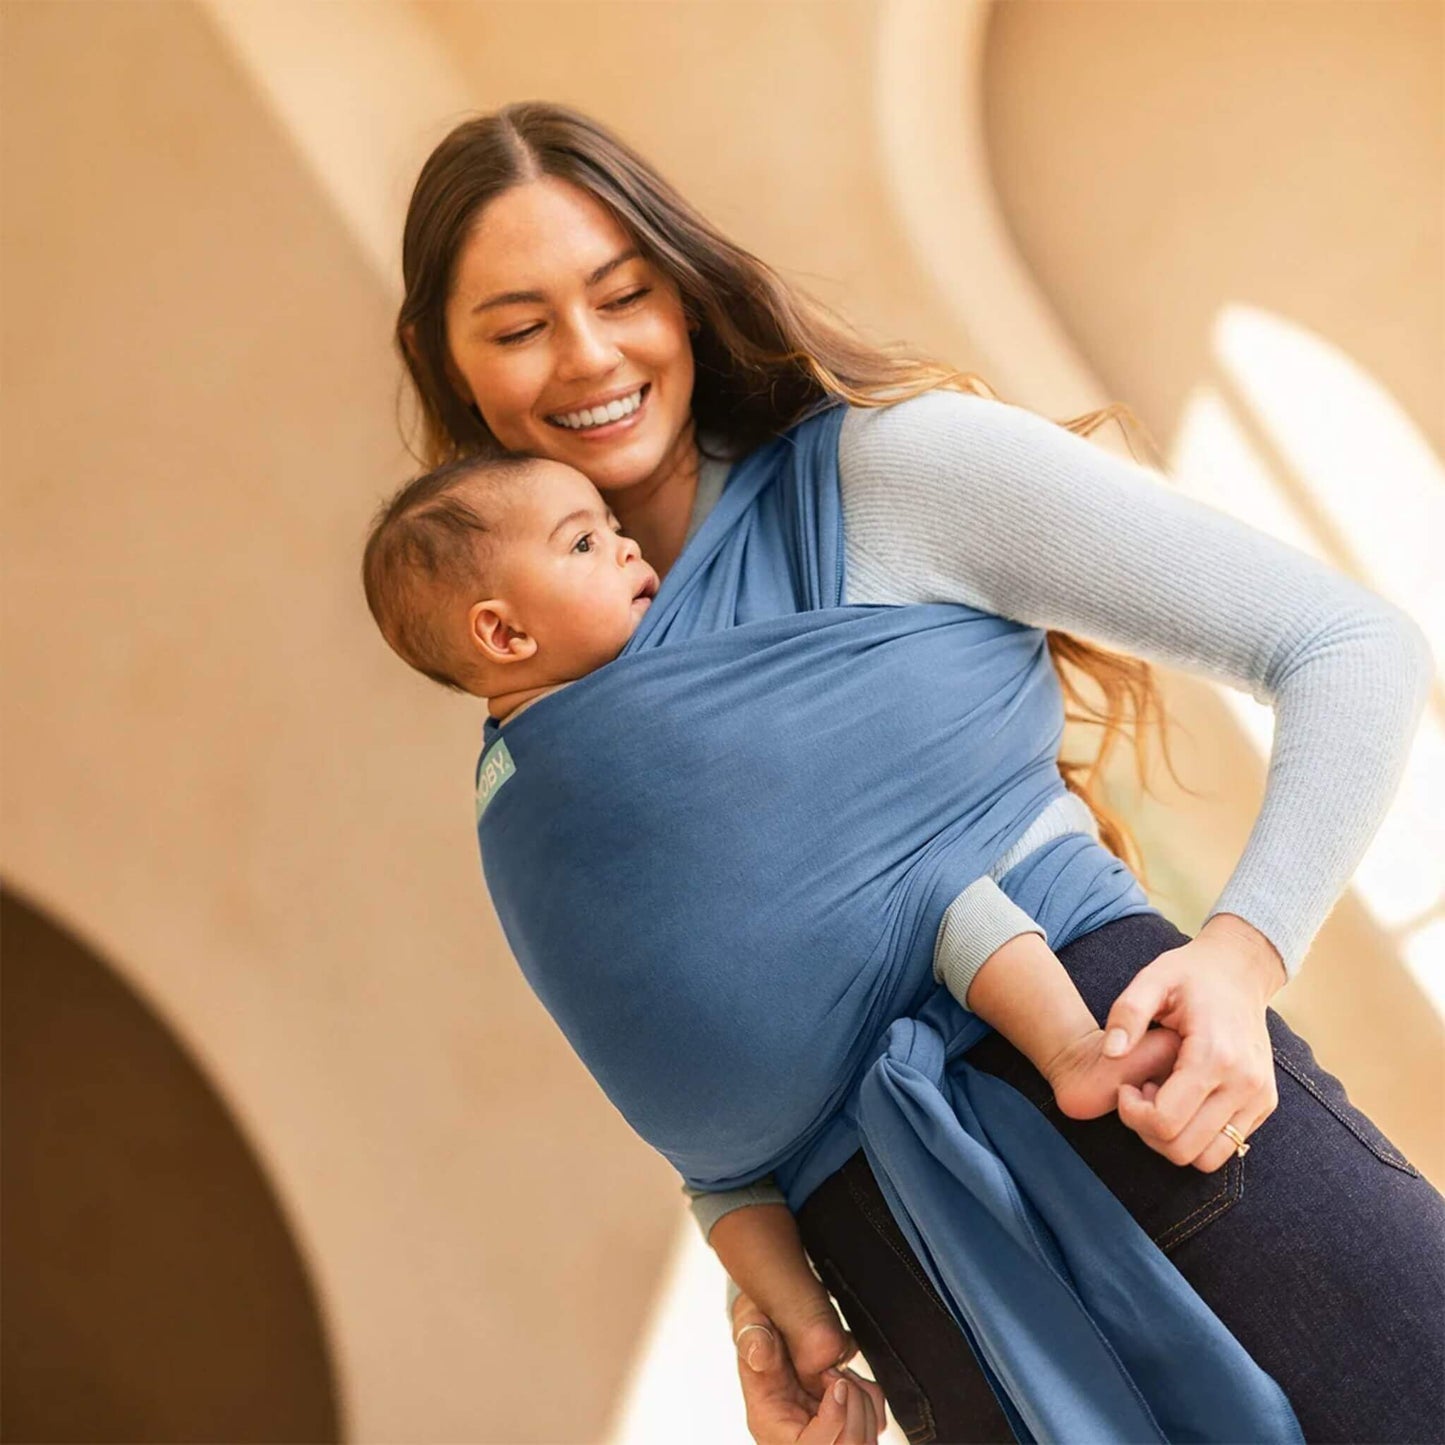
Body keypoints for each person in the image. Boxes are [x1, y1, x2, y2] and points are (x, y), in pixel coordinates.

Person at [387, 100, 1444, 1443]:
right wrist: (770, 1292)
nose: (588, 356)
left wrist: (1241, 961)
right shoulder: (548, 719)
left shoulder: (892, 477)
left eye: (623, 293)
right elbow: (686, 1025)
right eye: (521, 325)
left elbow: (1352, 644)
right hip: (915, 1275)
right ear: (443, 356)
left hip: (1153, 1111)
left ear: (685, 290)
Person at [360, 449, 1197, 1425]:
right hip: (877, 969)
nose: (626, 544)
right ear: (501, 632)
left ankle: (801, 1322)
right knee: (946, 897)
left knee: (719, 1193)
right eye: (584, 541)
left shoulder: (499, 791)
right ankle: (1068, 1050)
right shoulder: (633, 701)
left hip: (727, 1135)